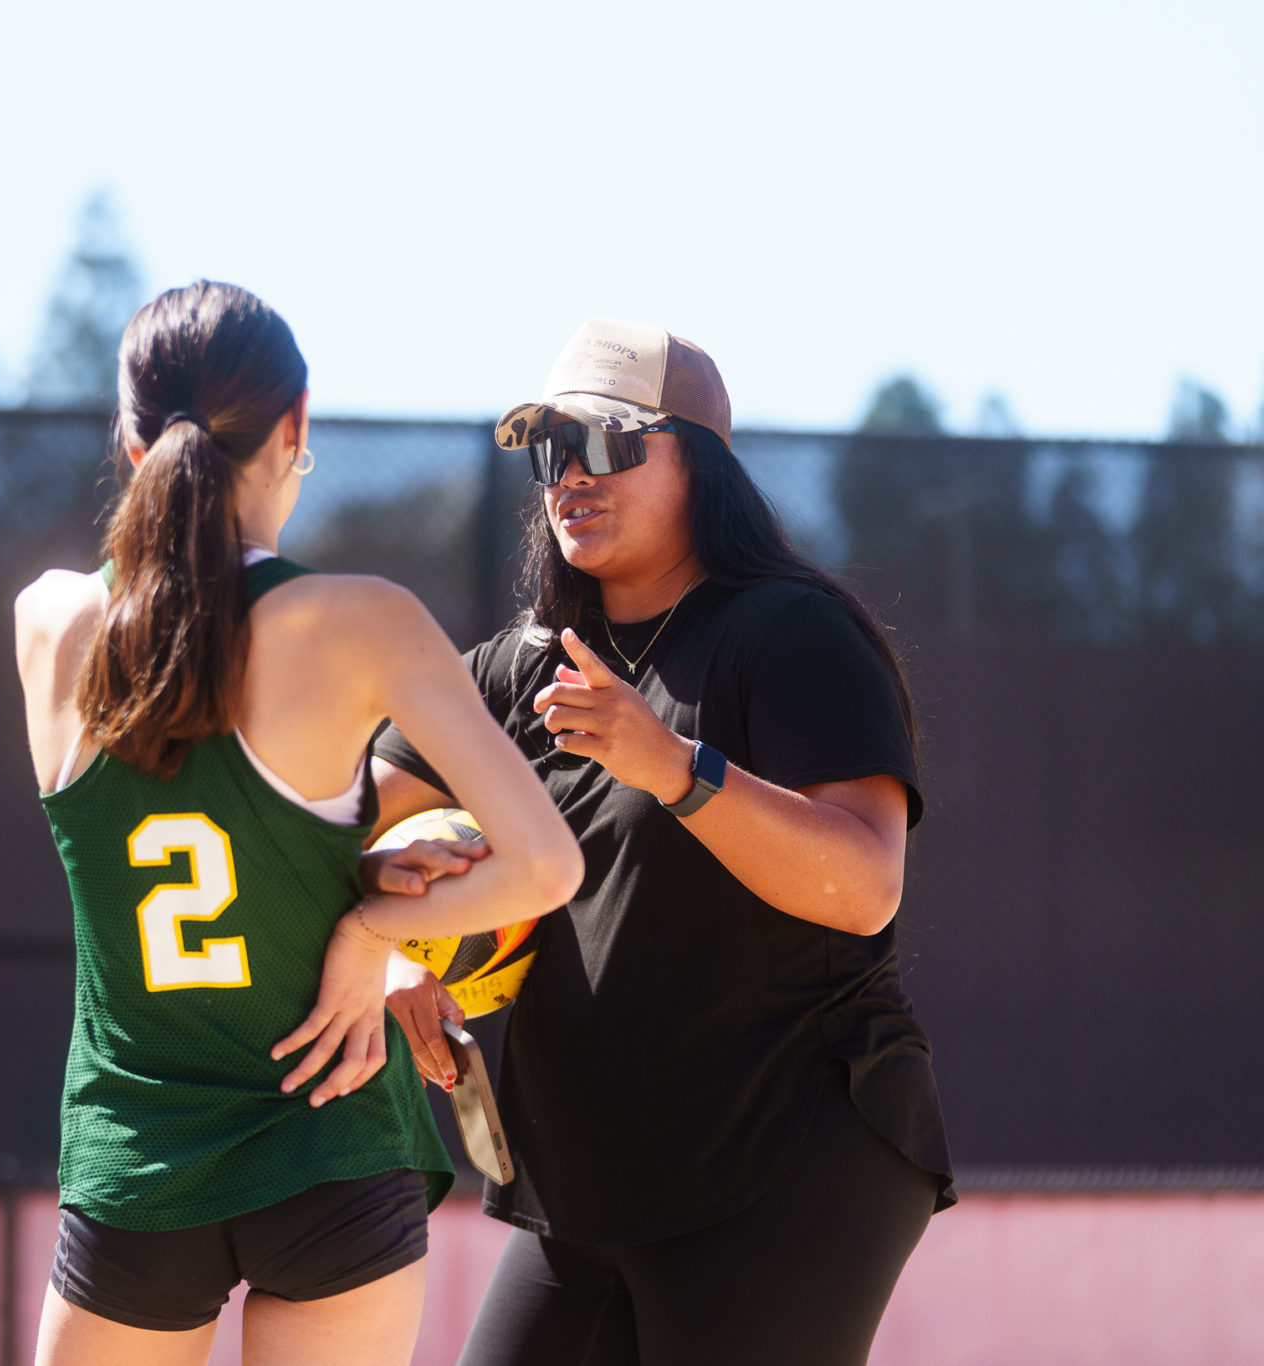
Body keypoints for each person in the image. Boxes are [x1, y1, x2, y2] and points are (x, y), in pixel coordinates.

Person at [15, 280, 582, 1366]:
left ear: (130, 443)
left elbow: (188, 825)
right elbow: (545, 864)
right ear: (296, 424)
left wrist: (348, 882)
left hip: (140, 1161)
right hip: (331, 1143)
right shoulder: (358, 621)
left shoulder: (44, 620)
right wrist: (367, 930)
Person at [373, 319, 955, 1366]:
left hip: (785, 1154)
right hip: (590, 1175)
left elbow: (865, 884)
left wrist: (677, 768)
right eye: (552, 449)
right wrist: (390, 942)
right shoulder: (516, 669)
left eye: (604, 442)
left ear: (703, 463)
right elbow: (341, 824)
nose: (570, 476)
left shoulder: (794, 633)